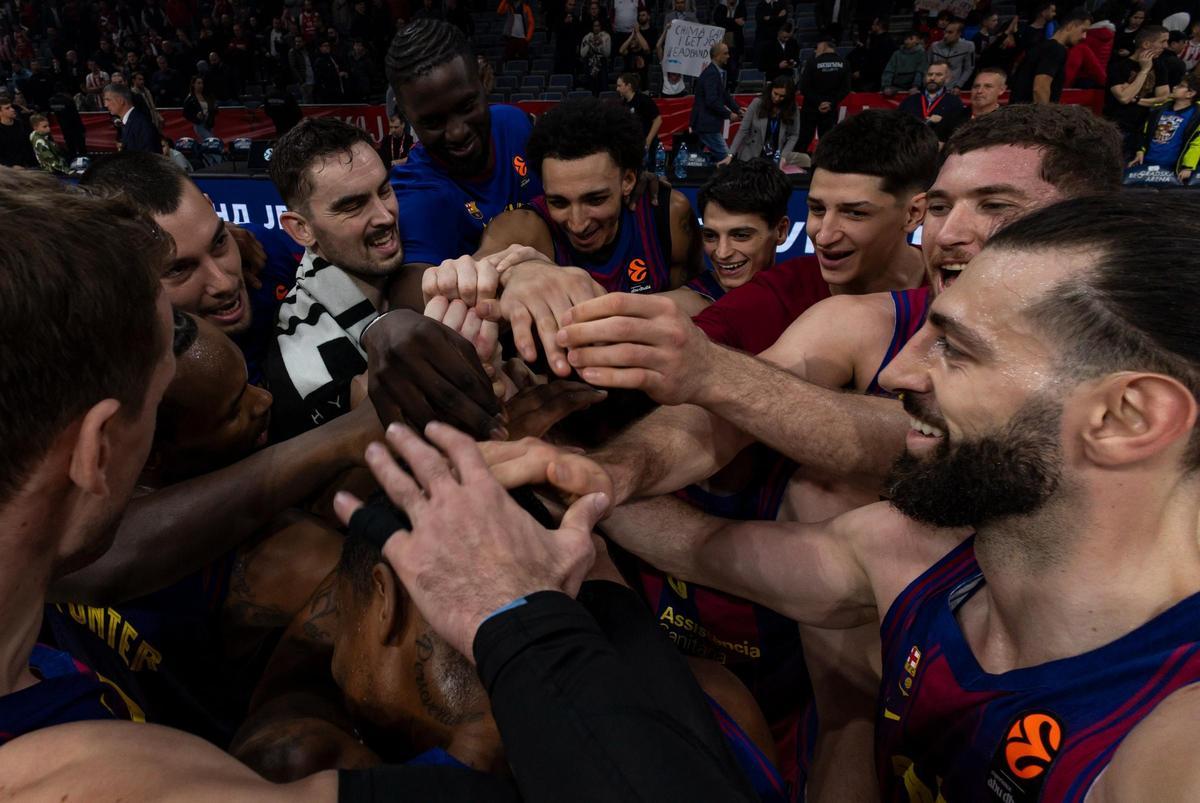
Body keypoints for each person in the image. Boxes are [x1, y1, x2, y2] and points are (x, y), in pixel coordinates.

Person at [80, 152, 302, 385]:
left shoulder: (265, 249)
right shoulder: (123, 375)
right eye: (179, 269)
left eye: (219, 242)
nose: (224, 283)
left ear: (210, 207)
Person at [266, 118, 408, 441]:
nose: (386, 216)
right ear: (301, 229)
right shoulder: (304, 362)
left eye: (384, 190)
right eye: (353, 206)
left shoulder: (427, 243)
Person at [1106, 24, 1171, 158]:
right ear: (1146, 44)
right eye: (1162, 41)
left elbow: (1164, 98)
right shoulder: (1118, 66)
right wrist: (1145, 70)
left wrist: (1137, 100)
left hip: (1143, 129)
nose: (1166, 46)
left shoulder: (1160, 66)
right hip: (1116, 126)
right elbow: (1123, 98)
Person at [1009, 7, 1091, 104]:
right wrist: (1047, 117)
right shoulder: (1056, 49)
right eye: (1083, 30)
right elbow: (1040, 87)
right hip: (1030, 115)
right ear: (1071, 26)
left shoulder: (1040, 46)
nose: (1084, 37)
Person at [1129, 73, 1200, 181]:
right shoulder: (1159, 109)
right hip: (1146, 163)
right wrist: (1140, 151)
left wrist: (1188, 167)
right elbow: (1143, 132)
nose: (1174, 87)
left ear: (1190, 94)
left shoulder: (1197, 116)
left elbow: (1196, 144)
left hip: (1173, 169)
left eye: (1180, 86)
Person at [691, 41, 743, 165]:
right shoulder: (711, 74)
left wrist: (738, 109)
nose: (728, 56)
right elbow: (712, 101)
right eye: (725, 53)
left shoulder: (714, 72)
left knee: (704, 159)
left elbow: (724, 95)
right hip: (707, 125)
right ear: (717, 56)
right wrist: (729, 115)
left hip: (706, 124)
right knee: (727, 158)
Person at [796, 39, 850, 154]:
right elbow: (846, 89)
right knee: (827, 142)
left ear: (824, 46)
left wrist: (819, 102)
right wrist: (830, 102)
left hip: (810, 108)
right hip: (830, 109)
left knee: (803, 139)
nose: (815, 51)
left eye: (817, 47)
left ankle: (796, 167)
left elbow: (803, 87)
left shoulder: (812, 62)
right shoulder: (844, 63)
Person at [732, 75, 800, 164]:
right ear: (771, 89)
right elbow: (743, 130)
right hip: (751, 155)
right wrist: (730, 154)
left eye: (782, 96)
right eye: (775, 93)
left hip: (775, 157)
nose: (777, 98)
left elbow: (794, 135)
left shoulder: (792, 109)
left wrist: (784, 156)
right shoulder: (757, 103)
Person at [899, 62, 966, 141]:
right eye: (930, 74)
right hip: (911, 148)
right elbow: (898, 127)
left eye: (938, 75)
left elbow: (958, 132)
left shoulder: (955, 102)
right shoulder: (909, 100)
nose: (932, 78)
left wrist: (942, 122)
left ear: (947, 79)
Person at [616, 72, 661, 169]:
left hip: (647, 146)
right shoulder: (623, 104)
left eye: (619, 86)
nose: (617, 89)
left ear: (628, 86)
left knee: (648, 175)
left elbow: (658, 120)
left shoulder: (644, 100)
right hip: (633, 146)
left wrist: (648, 140)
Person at [103, 82, 158, 154]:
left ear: (121, 100)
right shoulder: (129, 122)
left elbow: (151, 158)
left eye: (108, 100)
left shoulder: (142, 124)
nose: (105, 105)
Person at [929, 20, 976, 92]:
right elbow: (928, 66)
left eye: (950, 32)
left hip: (953, 88)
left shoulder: (968, 46)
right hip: (934, 87)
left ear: (959, 34)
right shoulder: (935, 46)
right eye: (945, 32)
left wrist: (958, 86)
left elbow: (969, 68)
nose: (945, 35)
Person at [881, 30, 929, 95]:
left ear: (917, 40)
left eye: (911, 39)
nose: (907, 41)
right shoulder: (897, 54)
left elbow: (920, 72)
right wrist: (886, 86)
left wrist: (916, 86)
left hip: (912, 88)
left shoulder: (921, 54)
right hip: (896, 86)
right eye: (906, 39)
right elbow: (889, 70)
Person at [579, 18, 612, 95]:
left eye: (598, 26)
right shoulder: (587, 37)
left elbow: (607, 54)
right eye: (594, 26)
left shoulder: (606, 36)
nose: (596, 28)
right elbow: (582, 54)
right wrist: (589, 43)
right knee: (591, 88)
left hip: (602, 64)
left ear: (601, 26)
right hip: (590, 64)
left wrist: (602, 43)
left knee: (603, 87)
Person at [182, 75, 218, 140]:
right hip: (199, 124)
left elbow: (215, 110)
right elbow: (185, 113)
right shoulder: (190, 98)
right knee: (211, 140)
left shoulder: (208, 96)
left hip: (209, 123)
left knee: (208, 144)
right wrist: (195, 116)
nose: (201, 85)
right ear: (193, 84)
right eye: (198, 83)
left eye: (202, 83)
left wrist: (214, 108)